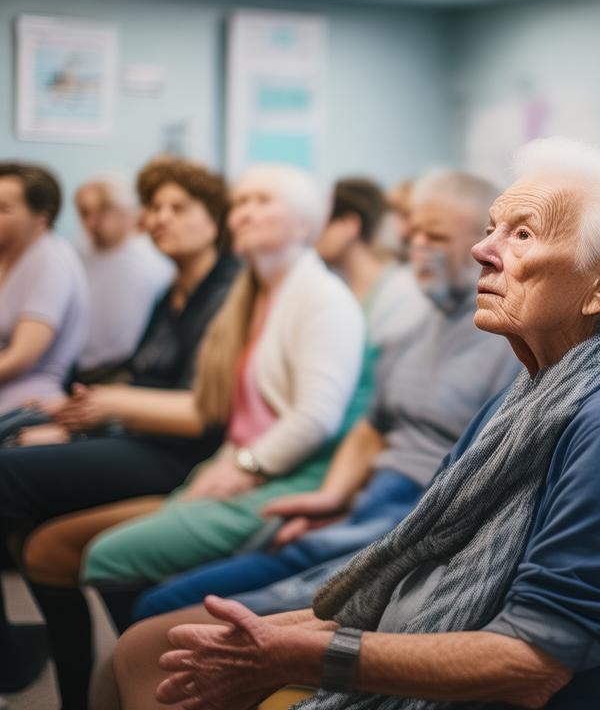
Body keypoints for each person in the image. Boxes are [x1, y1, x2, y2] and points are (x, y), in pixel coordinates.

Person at [116, 138, 600, 710]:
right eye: (492, 229)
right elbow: (425, 563)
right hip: (442, 626)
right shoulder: (533, 391)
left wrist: (299, 655)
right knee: (148, 648)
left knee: (157, 655)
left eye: (522, 235)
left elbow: (532, 666)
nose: (481, 251)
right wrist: (272, 644)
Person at [129, 170, 519, 622]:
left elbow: (482, 487)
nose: (417, 247)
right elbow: (372, 427)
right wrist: (334, 497)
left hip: (415, 516)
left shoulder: (507, 344)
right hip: (366, 500)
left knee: (165, 610)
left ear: (486, 243)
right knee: (168, 597)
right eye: (413, 233)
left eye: (436, 237)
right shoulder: (415, 324)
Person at [35, 165, 364, 632]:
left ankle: (143, 654)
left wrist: (245, 466)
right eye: (241, 202)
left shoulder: (322, 298)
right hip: (241, 463)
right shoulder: (257, 293)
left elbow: (316, 417)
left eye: (263, 201)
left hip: (284, 478)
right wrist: (225, 465)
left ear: (304, 222)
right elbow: (243, 416)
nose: (244, 213)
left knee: (109, 556)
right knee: (82, 548)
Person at [0, 157, 235, 703]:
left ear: (213, 219)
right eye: (154, 207)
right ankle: (69, 684)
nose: (160, 217)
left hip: (184, 454)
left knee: (5, 474)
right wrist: (77, 417)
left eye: (178, 207)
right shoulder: (173, 292)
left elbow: (207, 412)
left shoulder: (225, 292)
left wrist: (107, 408)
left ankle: (40, 667)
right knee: (34, 529)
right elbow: (140, 378)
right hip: (138, 438)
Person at [0, 162, 89, 414]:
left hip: (27, 400)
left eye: (3, 208)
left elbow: (22, 357)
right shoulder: (7, 254)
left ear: (41, 218)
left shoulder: (50, 260)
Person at [73, 173, 174, 382]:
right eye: (84, 214)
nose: (91, 222)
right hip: (78, 367)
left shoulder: (153, 260)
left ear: (124, 211)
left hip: (124, 371)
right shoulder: (78, 254)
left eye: (101, 213)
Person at [314, 177, 429, 352]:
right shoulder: (334, 287)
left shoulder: (402, 292)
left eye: (322, 224)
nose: (314, 236)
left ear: (350, 224)